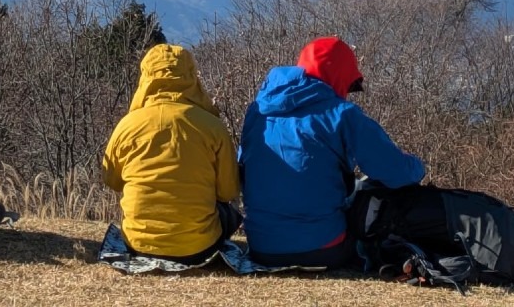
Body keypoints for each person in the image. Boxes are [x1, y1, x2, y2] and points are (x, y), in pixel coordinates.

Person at [238, 36, 425, 268]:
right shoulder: (343, 114)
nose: (347, 90)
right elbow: (396, 172)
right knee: (373, 194)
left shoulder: (257, 112)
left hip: (261, 247)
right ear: (339, 76)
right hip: (324, 248)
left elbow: (243, 169)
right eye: (350, 84)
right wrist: (418, 166)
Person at [102, 43, 242, 263]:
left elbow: (112, 180)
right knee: (229, 213)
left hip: (138, 244)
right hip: (199, 248)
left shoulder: (127, 125)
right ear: (192, 77)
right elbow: (228, 191)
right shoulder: (212, 126)